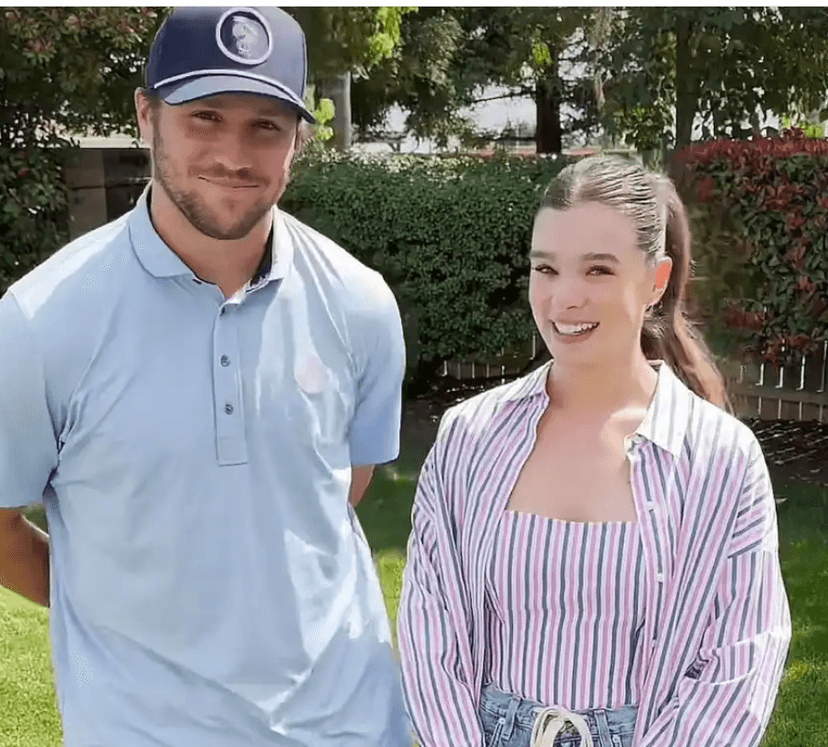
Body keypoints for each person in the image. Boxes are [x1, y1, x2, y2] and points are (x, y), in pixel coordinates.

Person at [0, 7, 411, 747]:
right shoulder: (41, 320)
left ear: (299, 141)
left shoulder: (360, 302)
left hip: (350, 727)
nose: (234, 152)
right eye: (206, 116)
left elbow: (338, 490)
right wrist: (112, 611)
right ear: (146, 115)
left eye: (266, 125)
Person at [397, 155, 791, 747]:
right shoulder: (469, 437)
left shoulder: (721, 460)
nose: (563, 300)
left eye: (598, 271)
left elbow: (740, 666)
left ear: (655, 281)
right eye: (546, 269)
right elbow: (430, 638)